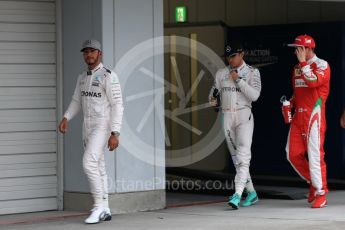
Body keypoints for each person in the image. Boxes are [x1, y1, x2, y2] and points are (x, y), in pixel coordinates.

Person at [58, 39, 124, 223]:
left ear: (99, 54)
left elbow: (118, 105)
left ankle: (98, 207)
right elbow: (76, 101)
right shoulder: (82, 77)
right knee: (99, 166)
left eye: (92, 51)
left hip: (102, 125)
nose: (89, 54)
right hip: (86, 126)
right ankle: (106, 207)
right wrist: (66, 117)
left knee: (88, 163)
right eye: (86, 52)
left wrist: (115, 133)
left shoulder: (108, 76)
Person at [209, 42, 261, 209]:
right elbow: (213, 93)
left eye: (233, 56)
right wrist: (213, 99)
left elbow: (255, 96)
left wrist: (238, 80)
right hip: (227, 116)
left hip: (244, 115)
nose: (230, 60)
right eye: (228, 57)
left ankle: (237, 194)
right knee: (236, 159)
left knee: (243, 157)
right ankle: (251, 193)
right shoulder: (221, 73)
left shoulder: (253, 72)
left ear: (242, 54)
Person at [285, 34, 330, 208]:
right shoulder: (296, 67)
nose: (295, 51)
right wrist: (290, 103)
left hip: (314, 115)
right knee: (292, 154)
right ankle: (314, 181)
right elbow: (299, 92)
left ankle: (321, 192)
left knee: (315, 155)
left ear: (307, 49)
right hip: (299, 116)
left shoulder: (322, 64)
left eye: (298, 48)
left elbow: (313, 82)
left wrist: (304, 63)